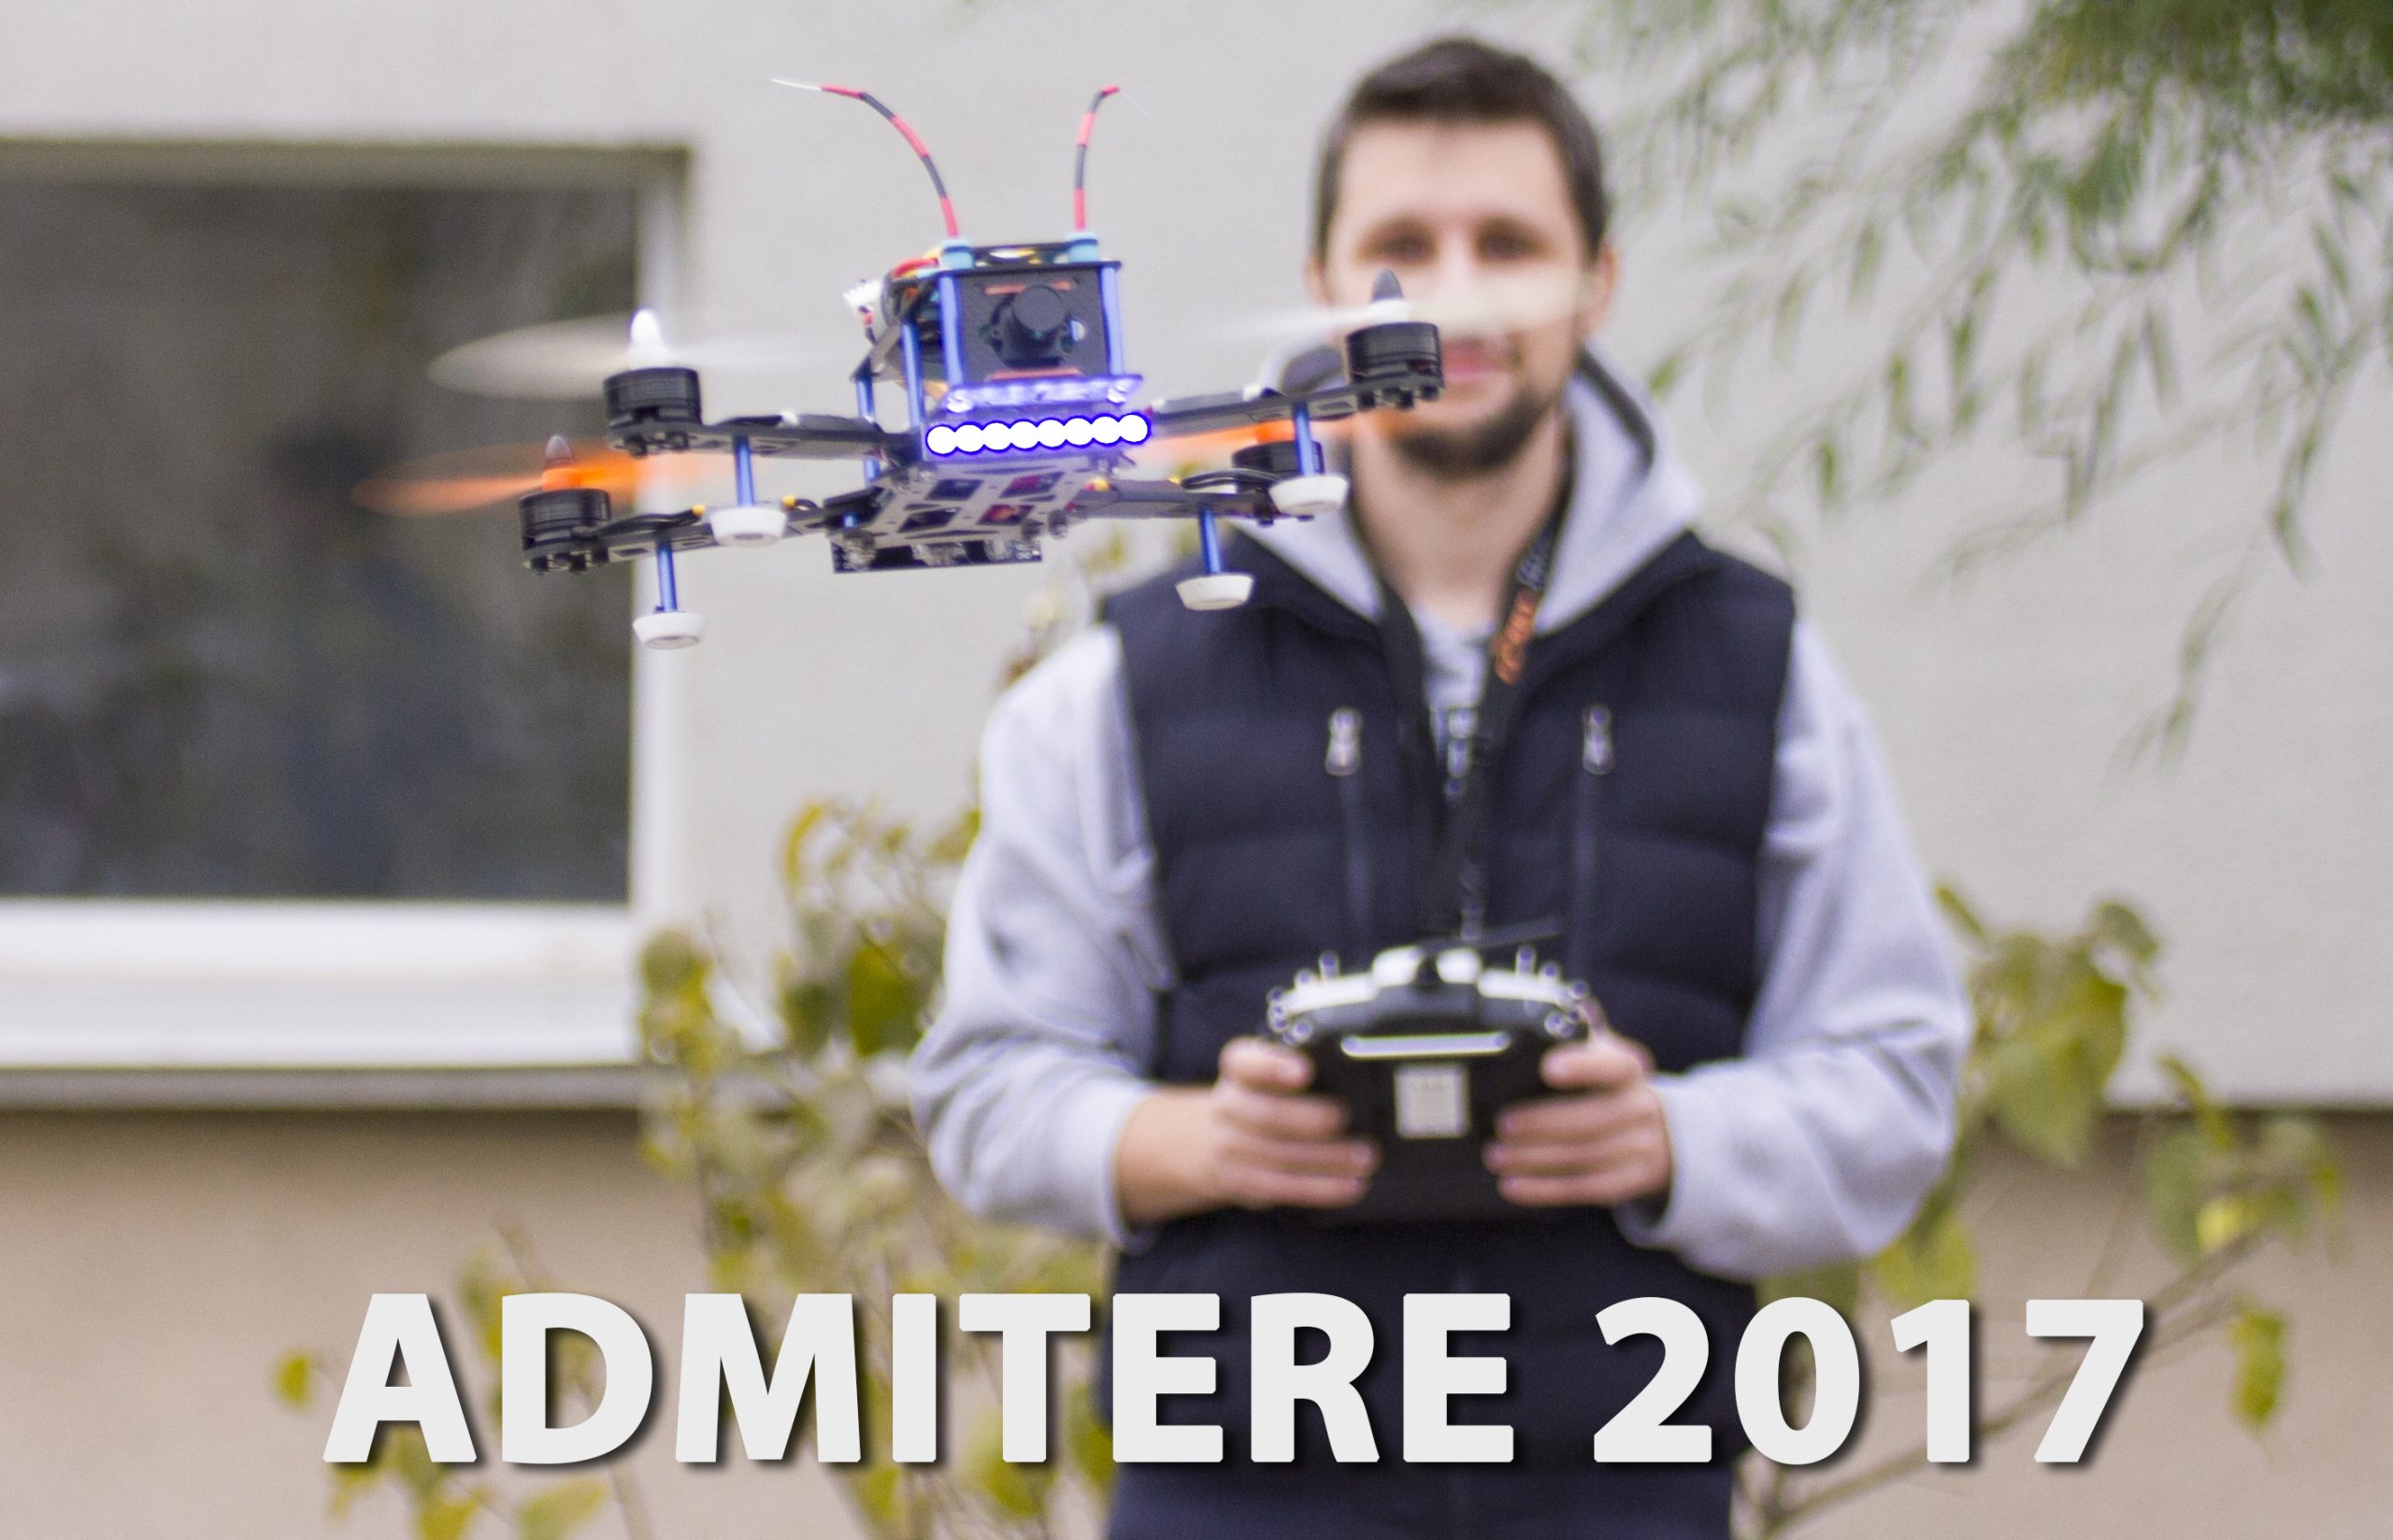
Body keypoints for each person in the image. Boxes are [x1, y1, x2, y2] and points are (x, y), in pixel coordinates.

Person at [911, 35, 1970, 1540]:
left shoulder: (1764, 667)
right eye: (1403, 246)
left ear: (1596, 284)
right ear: (1326, 286)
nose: (1454, 297)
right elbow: (984, 1089)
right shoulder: (1123, 680)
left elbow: (1897, 1080)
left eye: (1508, 246)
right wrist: (1197, 1144)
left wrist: (1673, 1143)